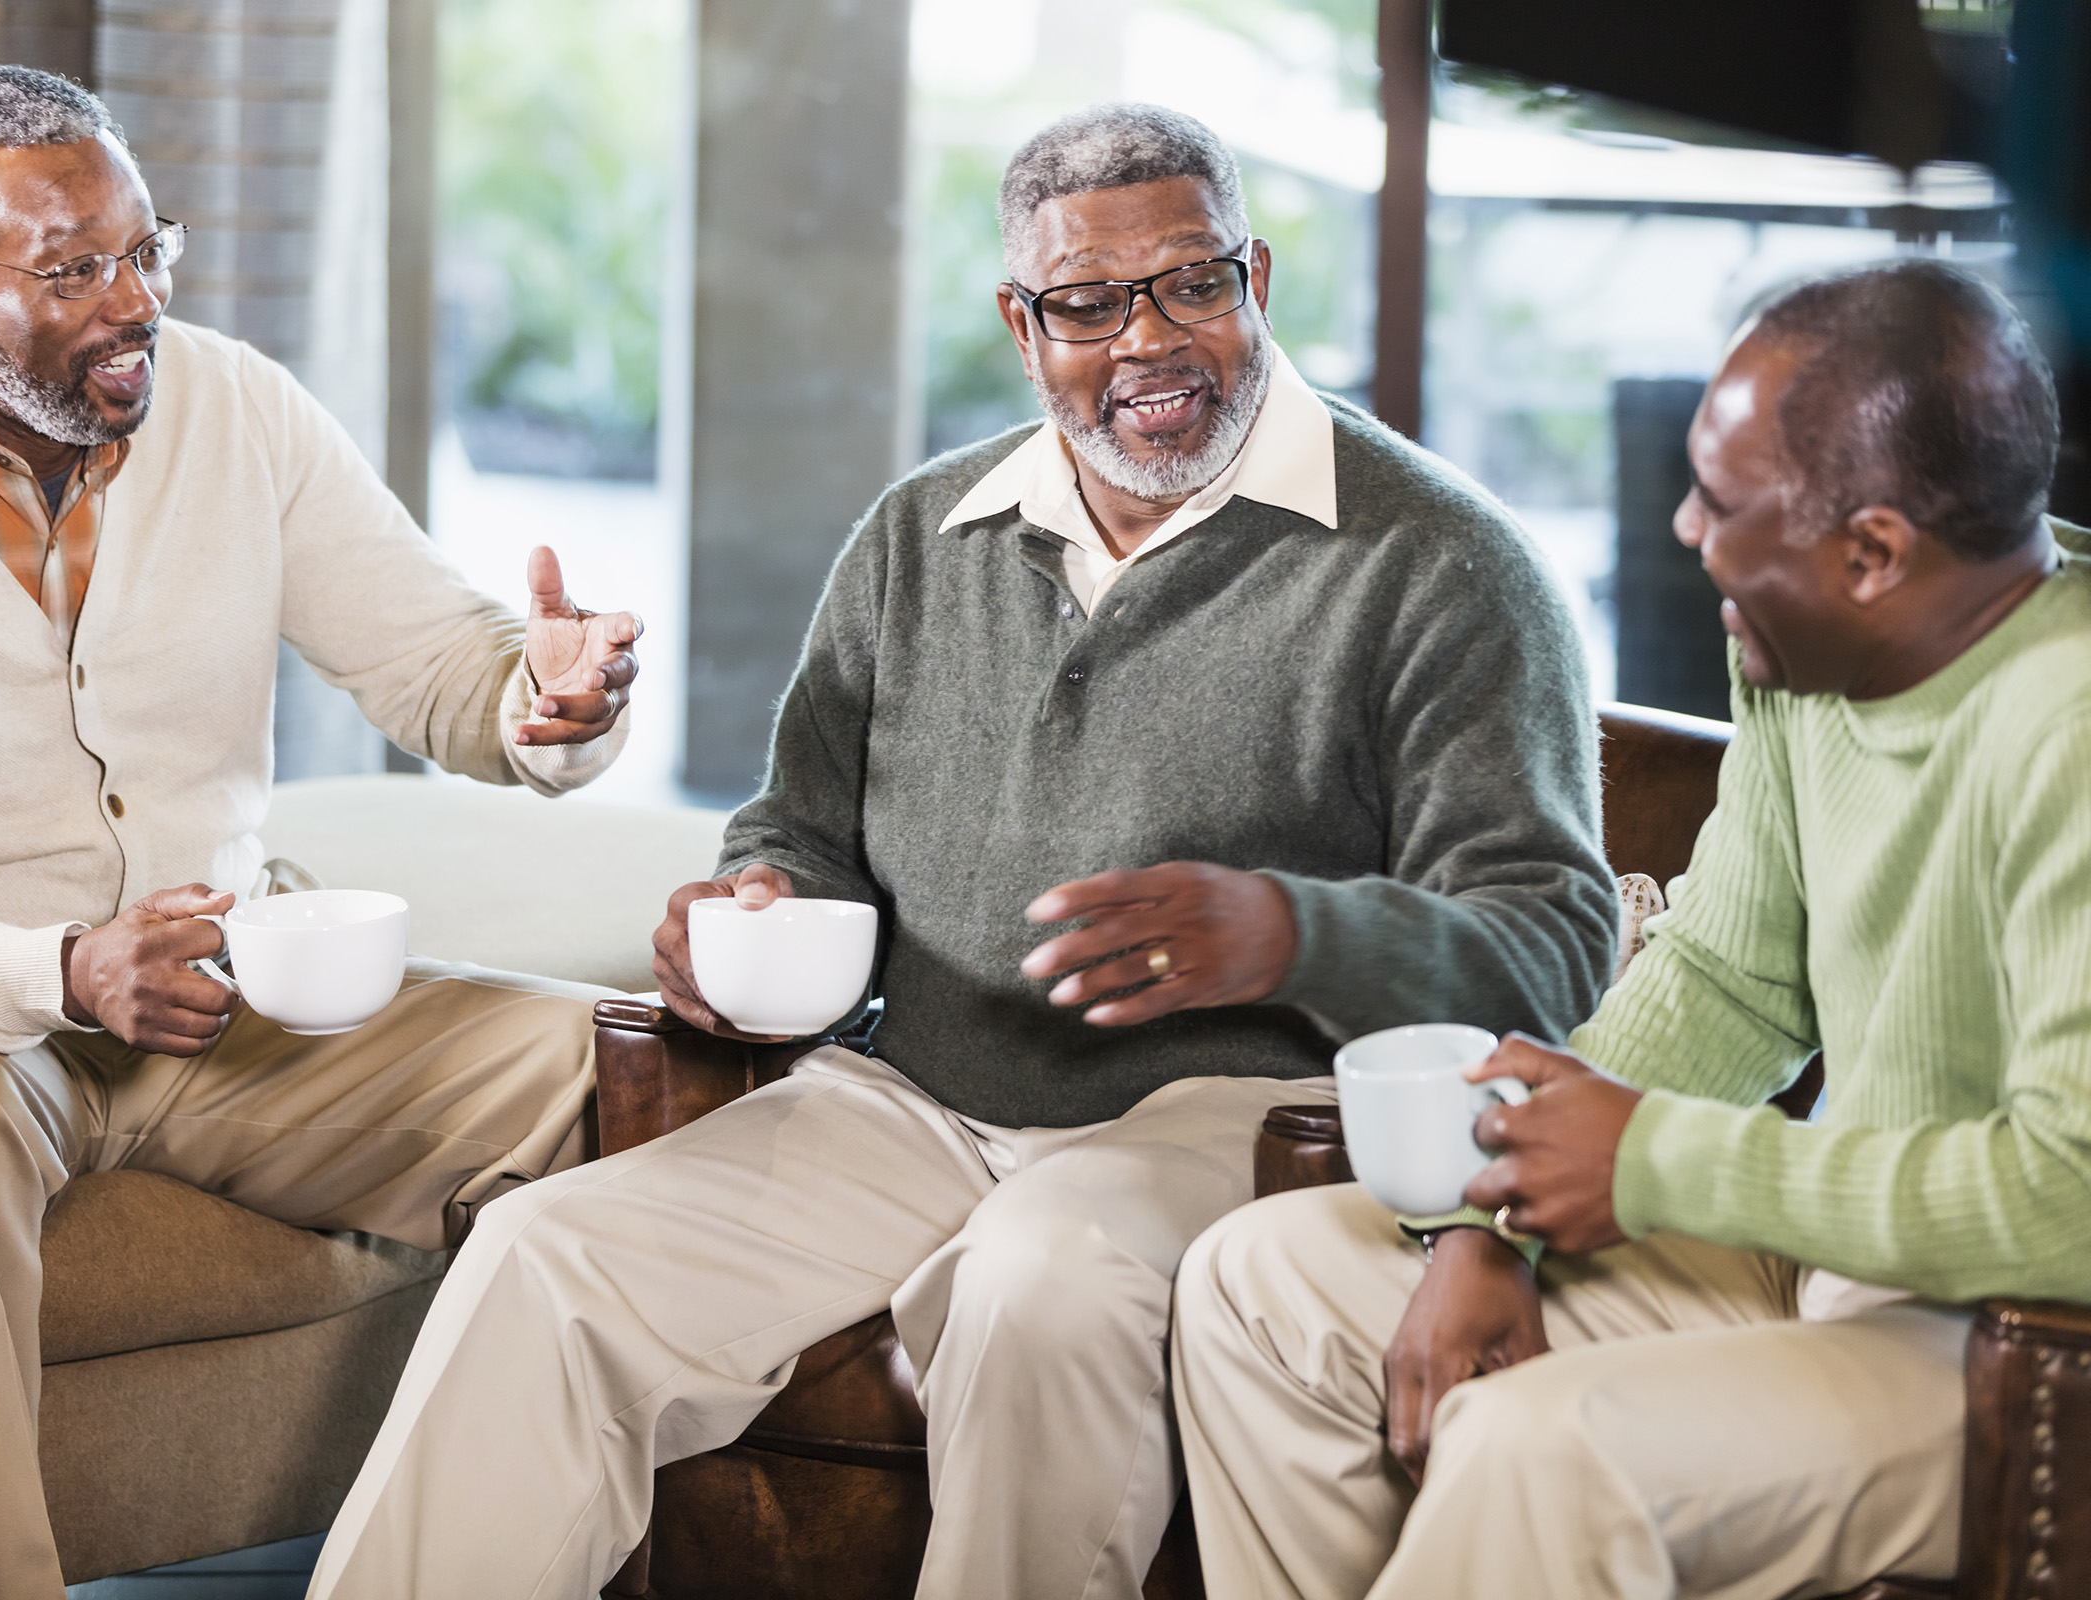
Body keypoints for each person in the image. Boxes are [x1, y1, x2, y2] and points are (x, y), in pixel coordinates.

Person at [312, 101, 1615, 1600]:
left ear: (1257, 278)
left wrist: (1287, 932)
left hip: (1241, 1116)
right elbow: (798, 827)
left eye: (1195, 284)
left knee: (1037, 1284)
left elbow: (1553, 944)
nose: (1149, 343)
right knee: (545, 1260)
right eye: (1087, 304)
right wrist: (755, 909)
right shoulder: (921, 535)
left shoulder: (1440, 563)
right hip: (914, 1102)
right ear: (1021, 320)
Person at [0, 66, 643, 1600]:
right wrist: (62, 971)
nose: (134, 302)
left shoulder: (235, 404)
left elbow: (440, 666)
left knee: (614, 1073)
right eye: (73, 269)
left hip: (212, 987)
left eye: (150, 249)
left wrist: (550, 704)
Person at [1170, 259, 2087, 1600]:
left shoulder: (2067, 722)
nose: (1682, 526)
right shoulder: (1812, 641)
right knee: (1263, 1283)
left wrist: (1655, 1162)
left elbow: (2070, 1191)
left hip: (2032, 1341)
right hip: (1840, 1255)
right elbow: (1725, 978)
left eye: (1721, 504)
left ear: (1875, 551)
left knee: (1545, 1450)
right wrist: (1502, 1220)